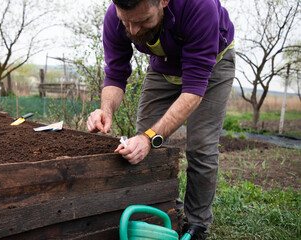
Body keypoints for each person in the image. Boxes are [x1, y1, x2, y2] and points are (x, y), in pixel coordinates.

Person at [86, 0, 235, 239]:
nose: (133, 30)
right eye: (127, 21)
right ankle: (165, 210)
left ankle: (197, 224)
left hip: (211, 67)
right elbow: (115, 73)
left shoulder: (200, 7)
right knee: (141, 142)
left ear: (163, 1)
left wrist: (150, 138)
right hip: (163, 66)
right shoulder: (116, 15)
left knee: (201, 146)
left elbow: (194, 89)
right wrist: (107, 110)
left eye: (143, 21)